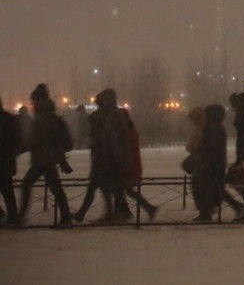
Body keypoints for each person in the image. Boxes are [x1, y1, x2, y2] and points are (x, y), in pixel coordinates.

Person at [17, 84, 74, 228]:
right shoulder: (49, 115)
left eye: (33, 101)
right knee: (55, 188)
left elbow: (35, 139)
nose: (32, 104)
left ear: (38, 101)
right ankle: (66, 217)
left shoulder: (43, 117)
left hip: (43, 159)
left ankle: (20, 218)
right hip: (47, 158)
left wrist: (19, 149)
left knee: (27, 186)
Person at [76, 88, 131, 223]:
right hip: (106, 157)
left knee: (105, 186)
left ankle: (115, 213)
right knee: (107, 187)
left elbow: (110, 137)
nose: (98, 105)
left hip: (107, 157)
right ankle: (114, 213)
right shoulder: (110, 115)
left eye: (99, 103)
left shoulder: (111, 116)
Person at [192, 104, 230, 222]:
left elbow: (210, 147)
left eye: (207, 113)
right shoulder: (214, 127)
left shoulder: (214, 128)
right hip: (211, 164)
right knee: (207, 189)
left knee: (204, 189)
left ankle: (206, 213)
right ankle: (206, 211)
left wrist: (204, 160)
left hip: (210, 165)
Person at [119, 108, 158, 221]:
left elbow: (128, 149)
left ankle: (147, 208)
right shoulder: (129, 129)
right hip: (131, 165)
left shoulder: (127, 130)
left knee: (125, 190)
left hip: (129, 166)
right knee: (126, 190)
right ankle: (148, 208)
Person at [0, 97, 20, 225]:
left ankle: (10, 216)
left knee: (7, 189)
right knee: (7, 190)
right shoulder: (9, 118)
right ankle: (12, 216)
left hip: (4, 159)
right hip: (7, 160)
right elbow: (17, 139)